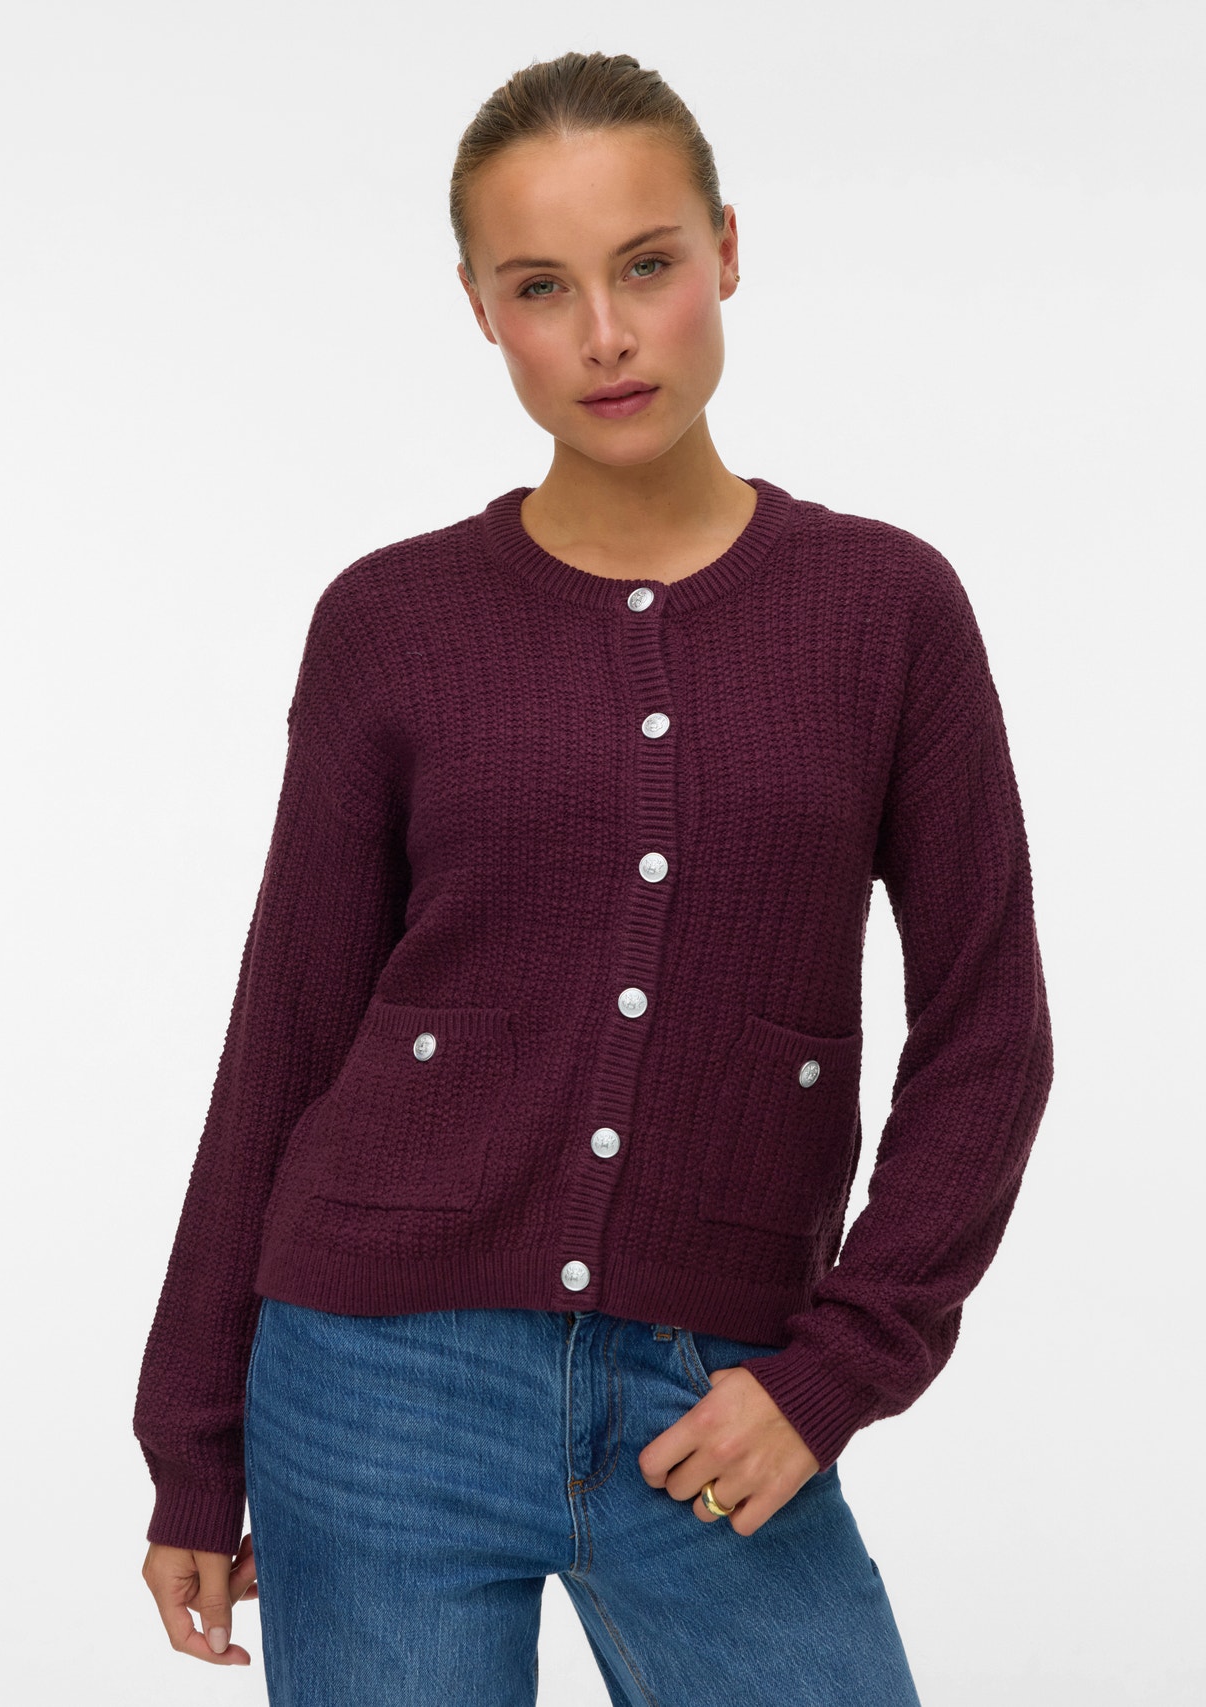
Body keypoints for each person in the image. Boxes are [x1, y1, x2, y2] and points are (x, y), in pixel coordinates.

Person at [134, 49, 1053, 1705]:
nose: (606, 335)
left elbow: (990, 1035)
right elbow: (287, 1032)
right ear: (482, 310)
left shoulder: (886, 611)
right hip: (373, 1389)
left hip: (720, 1400)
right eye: (542, 287)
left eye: (646, 265)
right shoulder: (392, 624)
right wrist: (191, 1444)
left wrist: (837, 1372)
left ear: (726, 251)